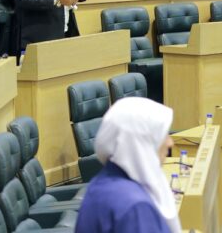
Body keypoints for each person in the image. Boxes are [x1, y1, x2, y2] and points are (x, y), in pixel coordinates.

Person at [75, 97, 180, 233]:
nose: (170, 143)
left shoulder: (101, 183)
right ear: (142, 143)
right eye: (163, 135)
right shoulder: (136, 208)